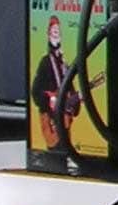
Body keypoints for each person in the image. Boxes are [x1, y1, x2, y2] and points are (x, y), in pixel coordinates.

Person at [29, 15, 80, 151]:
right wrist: (50, 99)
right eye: (54, 31)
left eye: (58, 31)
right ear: (49, 34)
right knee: (54, 152)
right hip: (51, 121)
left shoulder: (64, 65)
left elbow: (71, 91)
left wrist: (77, 99)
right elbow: (35, 92)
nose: (57, 33)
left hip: (64, 121)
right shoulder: (45, 62)